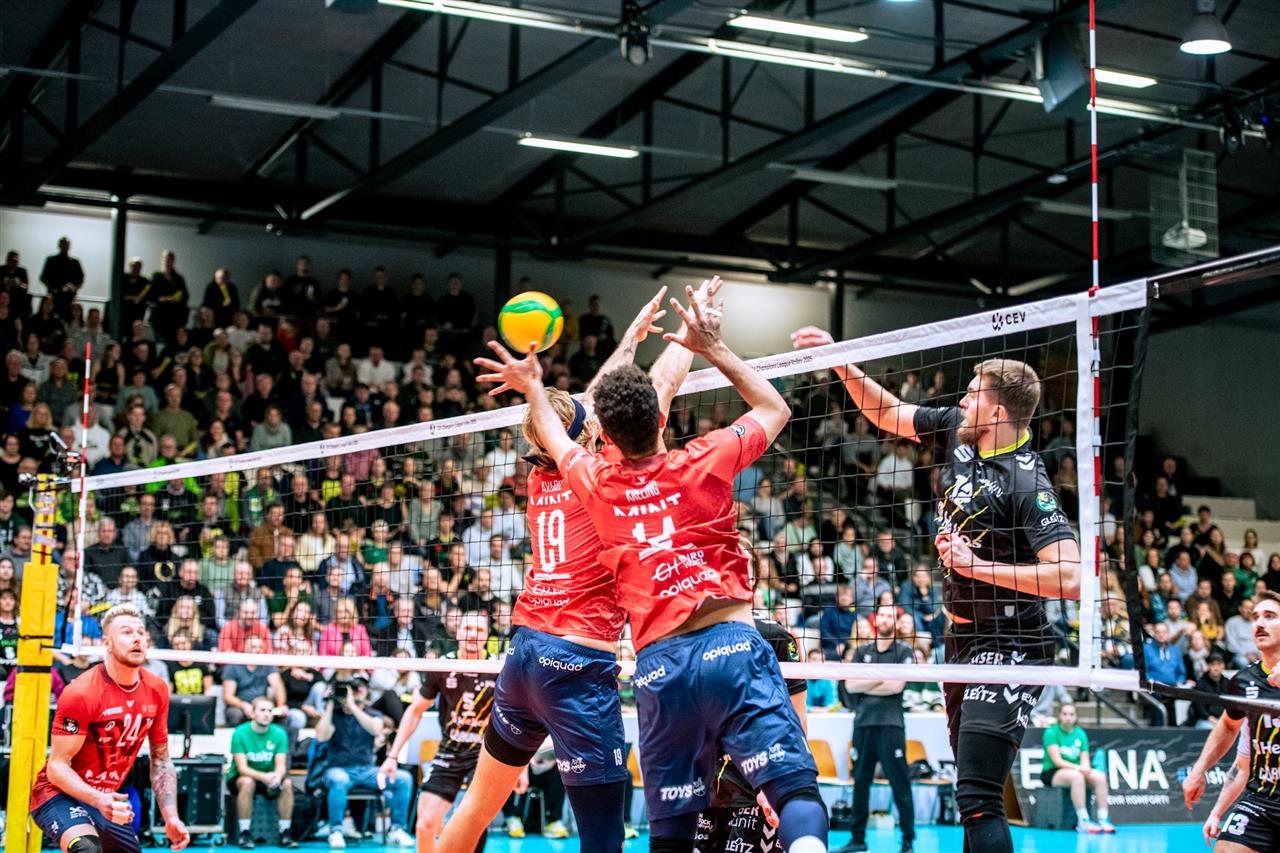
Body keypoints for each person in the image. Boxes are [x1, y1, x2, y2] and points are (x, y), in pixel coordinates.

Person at [483, 285, 826, 852]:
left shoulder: (597, 483)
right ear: (662, 421)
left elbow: (554, 434)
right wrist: (710, 345)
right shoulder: (704, 459)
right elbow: (775, 408)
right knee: (792, 791)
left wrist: (534, 386)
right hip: (729, 644)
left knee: (670, 830)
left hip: (659, 668)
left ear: (606, 438)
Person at [437, 283, 715, 853]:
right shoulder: (606, 474)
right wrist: (689, 334)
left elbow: (583, 407)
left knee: (475, 810)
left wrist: (630, 339)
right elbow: (657, 388)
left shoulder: (542, 473)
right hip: (576, 665)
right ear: (589, 432)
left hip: (523, 655)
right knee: (603, 839)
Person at [792, 326, 1080, 853]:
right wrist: (840, 360)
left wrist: (977, 566)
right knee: (972, 793)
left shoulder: (1027, 483)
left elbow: (1070, 577)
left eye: (973, 394)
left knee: (977, 795)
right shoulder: (957, 431)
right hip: (960, 641)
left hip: (1012, 641)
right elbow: (888, 413)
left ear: (997, 412)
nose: (962, 400)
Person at [30, 603, 190, 853]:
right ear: (107, 643)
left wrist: (171, 818)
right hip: (57, 794)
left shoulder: (157, 689)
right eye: (126, 632)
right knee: (87, 849)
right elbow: (57, 767)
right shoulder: (82, 692)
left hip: (104, 798)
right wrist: (97, 798)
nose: (137, 638)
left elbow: (160, 760)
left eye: (141, 632)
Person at [381, 613, 497, 853]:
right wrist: (392, 756)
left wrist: (519, 768)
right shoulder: (443, 666)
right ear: (458, 632)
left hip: (485, 755)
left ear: (487, 635)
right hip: (449, 752)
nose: (472, 635)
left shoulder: (498, 668)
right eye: (468, 628)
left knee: (473, 823)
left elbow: (516, 719)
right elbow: (415, 711)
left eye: (479, 630)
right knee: (425, 824)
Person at [695, 611, 807, 853]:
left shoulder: (774, 635)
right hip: (707, 787)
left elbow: (797, 716)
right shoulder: (695, 630)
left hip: (756, 788)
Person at [1184, 591, 1280, 853]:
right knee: (1225, 849)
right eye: (1255, 617)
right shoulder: (1244, 681)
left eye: (1270, 616)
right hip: (1262, 800)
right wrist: (1200, 770)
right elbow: (1230, 732)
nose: (1259, 623)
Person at [836, 604, 915, 853]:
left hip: (891, 725)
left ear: (896, 622)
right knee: (860, 783)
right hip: (863, 724)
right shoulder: (862, 651)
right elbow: (850, 685)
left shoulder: (904, 651)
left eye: (890, 615)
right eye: (881, 614)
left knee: (900, 784)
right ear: (875, 619)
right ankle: (857, 840)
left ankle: (907, 841)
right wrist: (883, 676)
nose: (885, 619)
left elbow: (896, 686)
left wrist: (868, 680)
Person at [316, 676, 416, 849]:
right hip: (338, 769)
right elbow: (321, 736)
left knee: (403, 778)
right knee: (339, 780)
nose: (356, 692)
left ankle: (397, 830)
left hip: (367, 770)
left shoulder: (373, 713)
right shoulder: (334, 715)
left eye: (359, 688)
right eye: (352, 689)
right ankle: (336, 831)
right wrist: (331, 704)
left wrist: (353, 707)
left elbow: (375, 729)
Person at [228, 696, 297, 849]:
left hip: (269, 777)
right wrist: (264, 777)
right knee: (248, 782)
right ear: (252, 714)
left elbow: (281, 765)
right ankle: (245, 833)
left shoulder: (279, 733)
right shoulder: (240, 732)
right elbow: (242, 768)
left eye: (270, 711)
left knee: (287, 783)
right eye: (262, 710)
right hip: (242, 778)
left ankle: (285, 832)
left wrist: (277, 777)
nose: (266, 714)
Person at [1039, 702, 1113, 834]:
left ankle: (1103, 818)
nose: (1068, 717)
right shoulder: (1051, 732)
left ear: (1076, 717)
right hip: (1052, 772)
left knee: (1100, 777)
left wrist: (1085, 768)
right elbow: (1057, 761)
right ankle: (1083, 821)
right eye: (1065, 714)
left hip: (1076, 769)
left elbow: (1085, 759)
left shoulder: (1080, 733)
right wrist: (1078, 768)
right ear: (1059, 716)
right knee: (1077, 778)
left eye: (1071, 714)